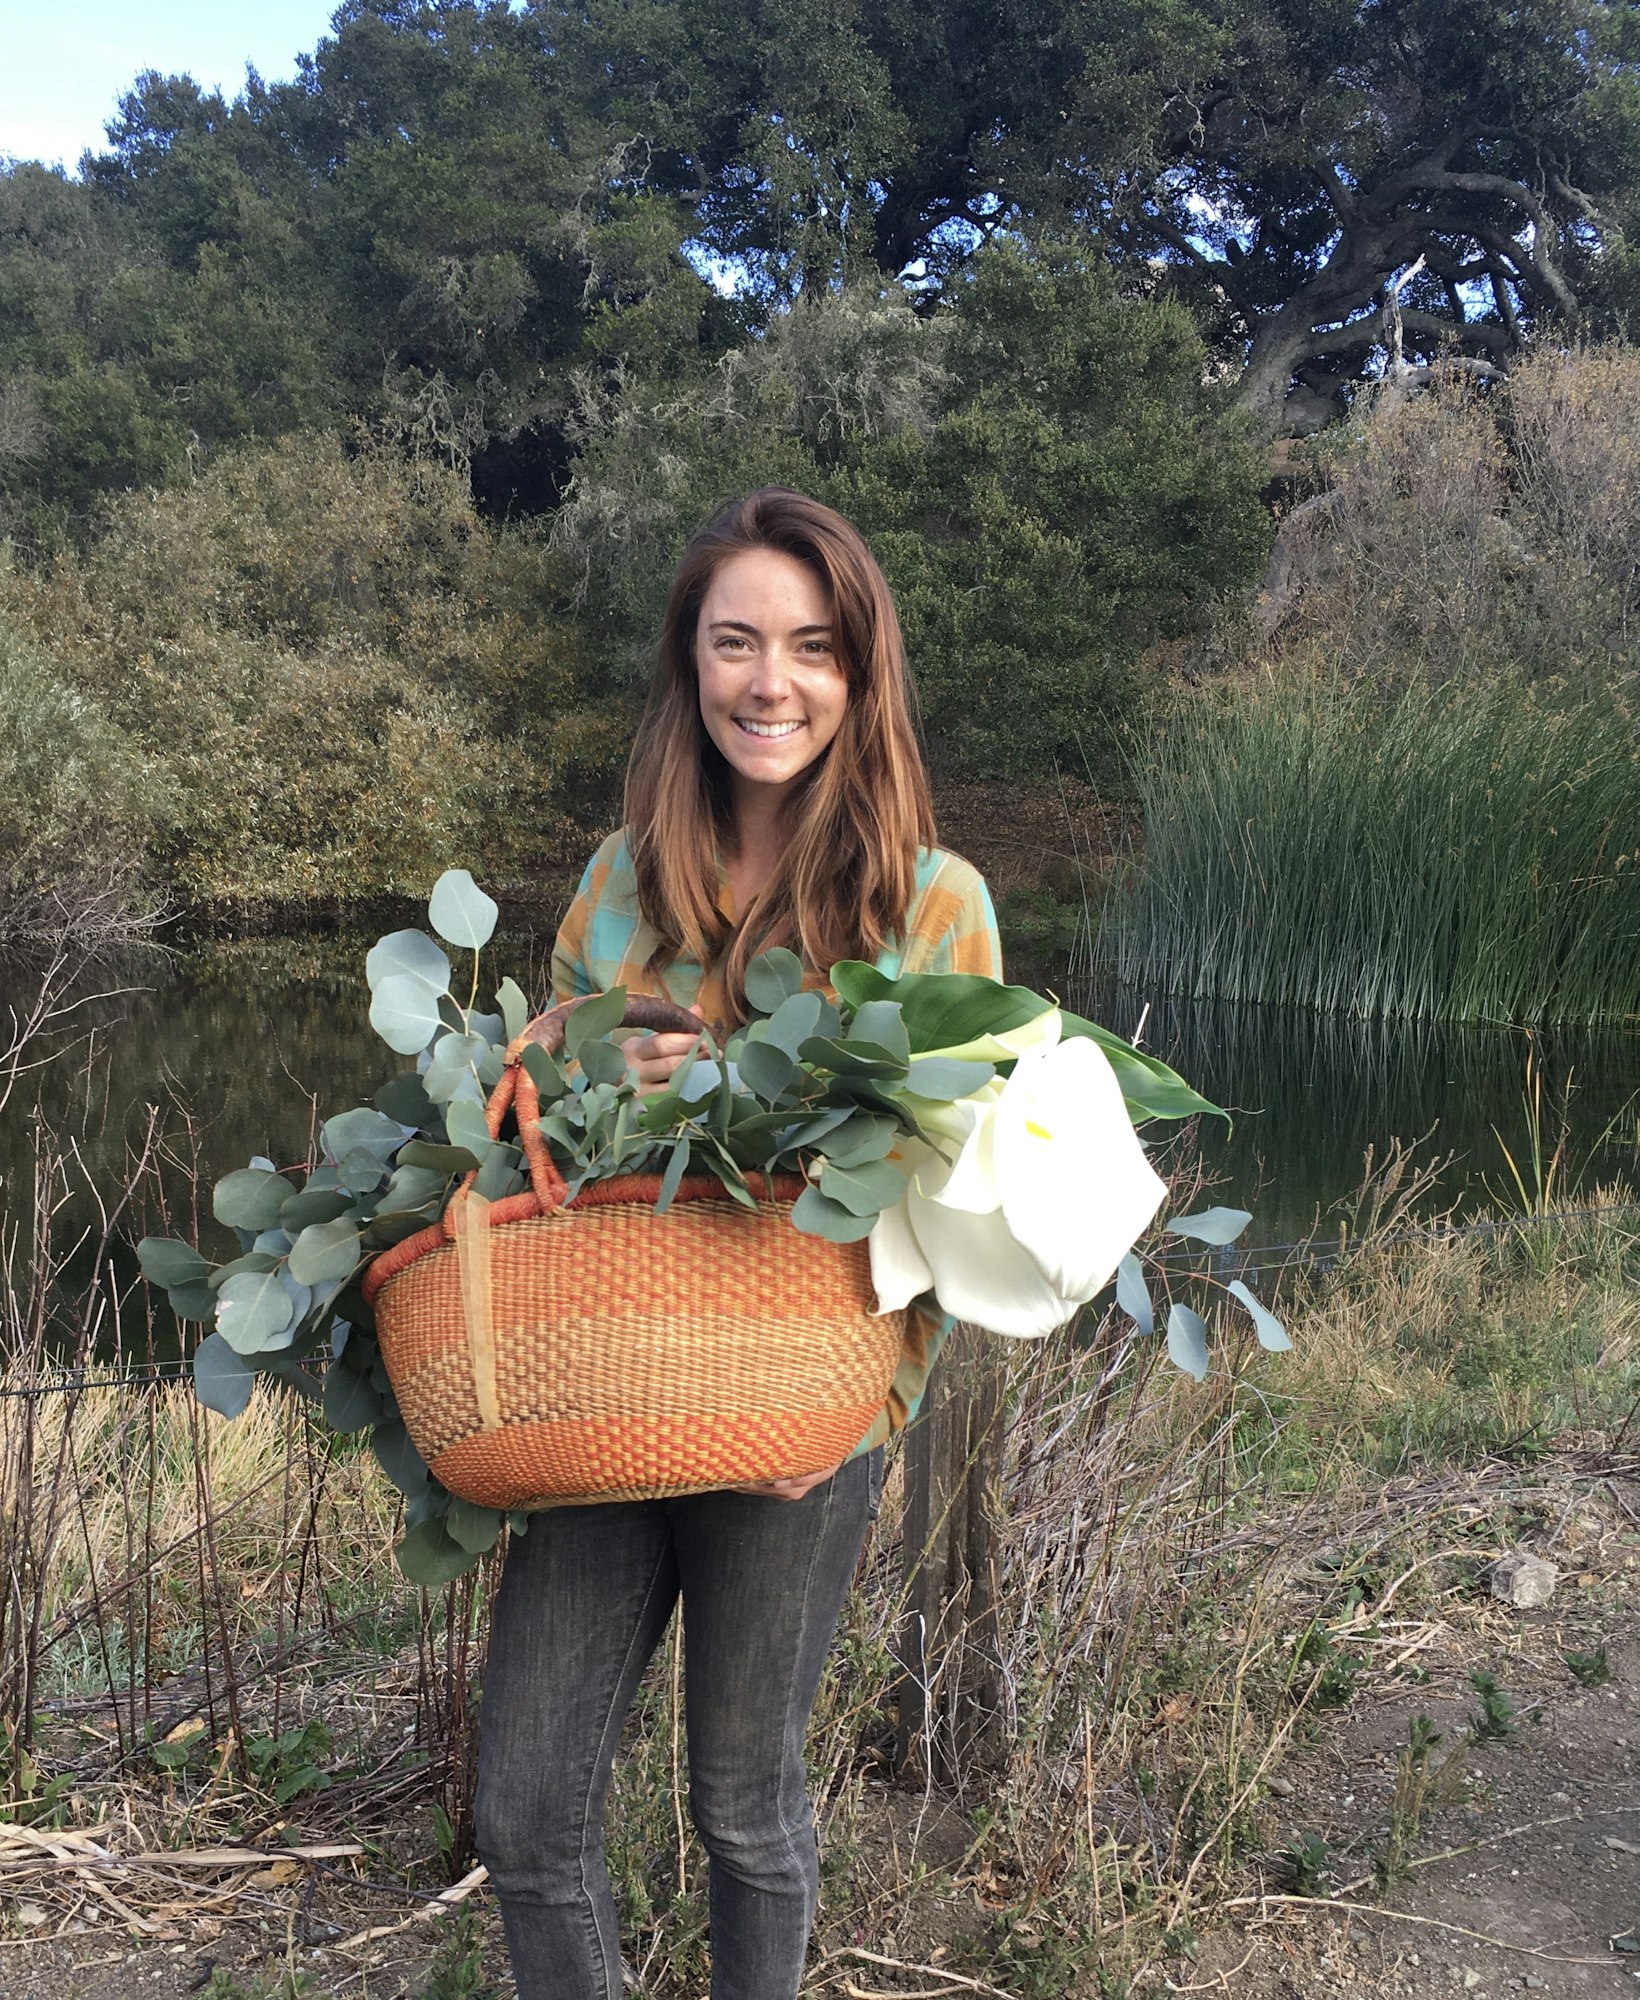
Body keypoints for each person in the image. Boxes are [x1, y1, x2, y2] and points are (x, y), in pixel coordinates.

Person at [473, 488, 1002, 2000]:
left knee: (745, 1809)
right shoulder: (617, 882)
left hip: (793, 1425)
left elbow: (957, 1208)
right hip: (602, 1397)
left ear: (859, 672)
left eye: (812, 647)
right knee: (524, 1811)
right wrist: (571, 1071)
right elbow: (536, 1149)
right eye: (736, 643)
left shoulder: (931, 907)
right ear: (689, 662)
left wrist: (861, 1412)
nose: (772, 682)